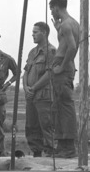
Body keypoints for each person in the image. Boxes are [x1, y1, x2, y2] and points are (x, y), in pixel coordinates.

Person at [49, 0, 80, 158]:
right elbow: (67, 41)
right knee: (59, 106)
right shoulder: (71, 23)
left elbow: (72, 47)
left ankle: (68, 148)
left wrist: (61, 66)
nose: (51, 13)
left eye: (51, 9)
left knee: (65, 107)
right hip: (67, 65)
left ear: (56, 8)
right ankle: (62, 146)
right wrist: (57, 28)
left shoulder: (67, 25)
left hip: (63, 65)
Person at [23, 22, 56, 157]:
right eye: (33, 32)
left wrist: (34, 88)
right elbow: (25, 72)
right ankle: (36, 152)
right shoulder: (32, 52)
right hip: (30, 96)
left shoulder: (51, 51)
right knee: (31, 125)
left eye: (36, 32)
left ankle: (50, 152)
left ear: (44, 33)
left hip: (43, 95)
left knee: (46, 124)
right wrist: (25, 87)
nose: (33, 35)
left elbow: (50, 74)